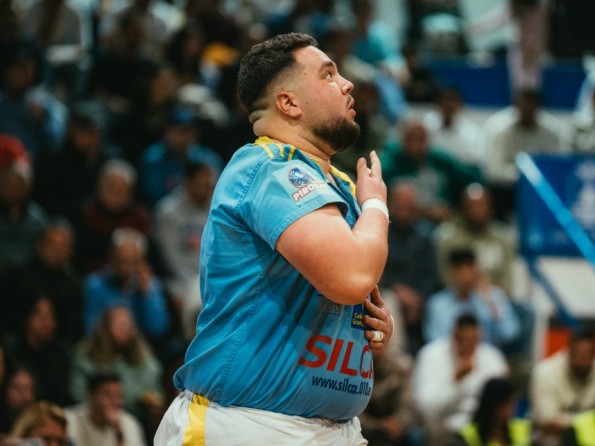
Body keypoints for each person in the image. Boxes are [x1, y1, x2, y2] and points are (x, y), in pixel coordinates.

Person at [155, 32, 393, 445]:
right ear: (289, 103)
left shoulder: (338, 183)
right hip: (246, 425)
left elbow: (355, 289)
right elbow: (351, 276)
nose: (347, 84)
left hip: (331, 429)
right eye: (328, 75)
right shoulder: (271, 168)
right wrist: (376, 206)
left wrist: (369, 325)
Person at [412, 314, 509, 446]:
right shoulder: (430, 356)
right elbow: (427, 409)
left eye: (473, 340)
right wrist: (456, 381)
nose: (468, 345)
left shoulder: (493, 359)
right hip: (443, 434)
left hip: (482, 434)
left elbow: (503, 405)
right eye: (463, 340)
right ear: (453, 336)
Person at [423, 248, 521, 349]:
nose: (466, 277)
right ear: (451, 273)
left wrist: (491, 304)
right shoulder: (437, 304)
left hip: (484, 353)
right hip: (450, 354)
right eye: (461, 273)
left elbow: (510, 334)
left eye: (470, 270)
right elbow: (434, 341)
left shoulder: (493, 296)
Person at [530, 328, 595, 446]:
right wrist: (585, 422)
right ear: (568, 351)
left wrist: (566, 421)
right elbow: (548, 421)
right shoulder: (545, 373)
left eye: (588, 355)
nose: (583, 361)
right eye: (578, 354)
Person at [65, 372, 146, 446]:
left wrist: (118, 433)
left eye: (119, 396)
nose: (115, 402)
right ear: (91, 396)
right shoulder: (68, 420)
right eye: (108, 395)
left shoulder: (129, 424)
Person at [451, 377, 533, 446]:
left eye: (513, 402)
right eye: (505, 404)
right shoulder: (469, 435)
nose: (511, 408)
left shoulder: (522, 429)